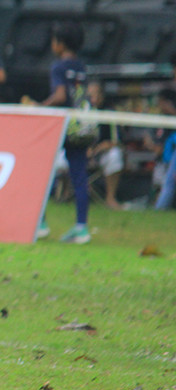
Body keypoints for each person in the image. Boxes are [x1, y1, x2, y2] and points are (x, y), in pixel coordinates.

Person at [34, 22, 92, 244]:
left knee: (42, 172)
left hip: (61, 126)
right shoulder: (80, 67)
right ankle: (81, 227)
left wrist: (41, 106)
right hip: (80, 125)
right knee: (79, 176)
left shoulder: (58, 67)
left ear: (59, 44)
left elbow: (59, 96)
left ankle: (40, 223)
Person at [86, 81, 124, 210]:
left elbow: (116, 141)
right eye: (89, 95)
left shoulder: (109, 111)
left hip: (100, 154)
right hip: (79, 153)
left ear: (101, 95)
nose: (92, 99)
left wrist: (97, 149)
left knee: (115, 156)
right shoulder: (82, 110)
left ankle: (110, 198)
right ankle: (64, 194)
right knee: (60, 158)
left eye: (94, 95)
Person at [147, 87, 176, 210]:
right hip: (163, 161)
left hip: (167, 161)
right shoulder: (162, 119)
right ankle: (158, 207)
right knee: (166, 183)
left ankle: (159, 209)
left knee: (168, 183)